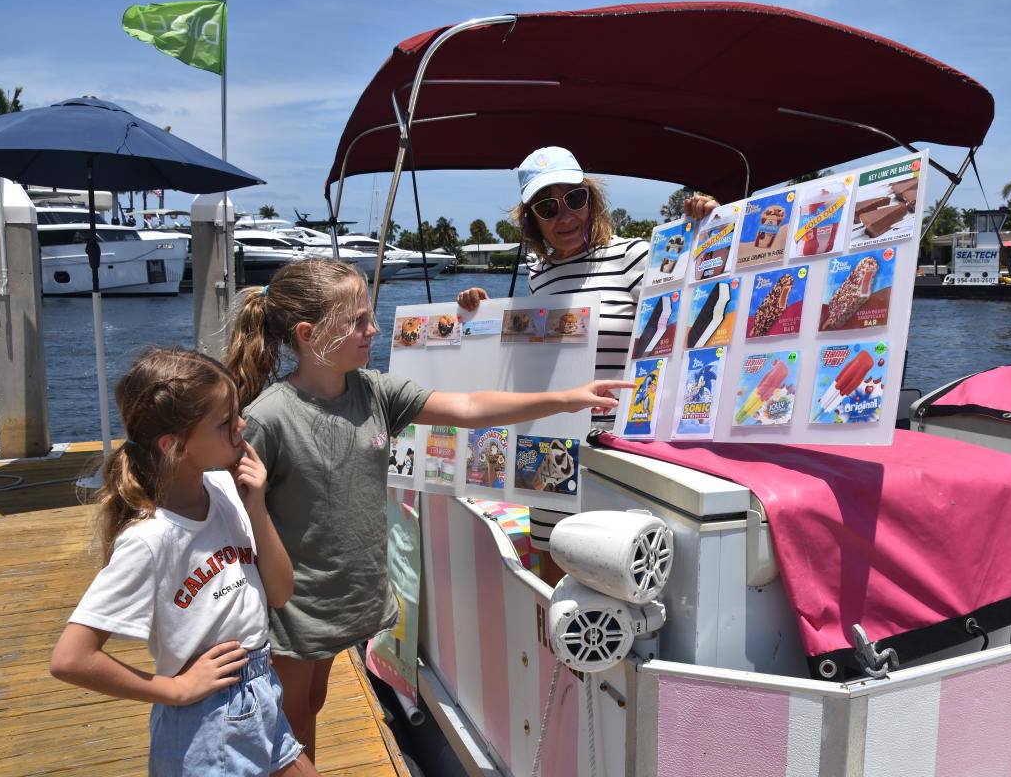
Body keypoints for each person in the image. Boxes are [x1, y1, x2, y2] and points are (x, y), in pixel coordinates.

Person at [223, 257, 631, 759]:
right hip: (291, 607)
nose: (372, 329)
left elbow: (468, 408)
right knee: (290, 719)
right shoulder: (267, 419)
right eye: (356, 322)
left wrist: (566, 398)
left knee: (315, 698)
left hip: (344, 601)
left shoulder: (375, 392)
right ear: (309, 334)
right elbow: (229, 518)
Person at [50, 347, 318, 777]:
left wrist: (258, 509)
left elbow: (282, 592)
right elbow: (71, 658)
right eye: (225, 422)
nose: (242, 426)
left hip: (261, 689)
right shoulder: (151, 539)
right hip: (206, 721)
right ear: (174, 445)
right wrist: (174, 689)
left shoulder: (226, 491)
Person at [456, 146, 717, 579]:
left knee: (624, 572)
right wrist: (479, 314)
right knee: (554, 571)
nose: (565, 217)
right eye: (547, 206)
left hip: (619, 450)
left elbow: (701, 305)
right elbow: (531, 360)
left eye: (574, 199)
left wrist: (710, 228)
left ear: (591, 200)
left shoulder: (635, 256)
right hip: (549, 444)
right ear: (532, 219)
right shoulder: (538, 275)